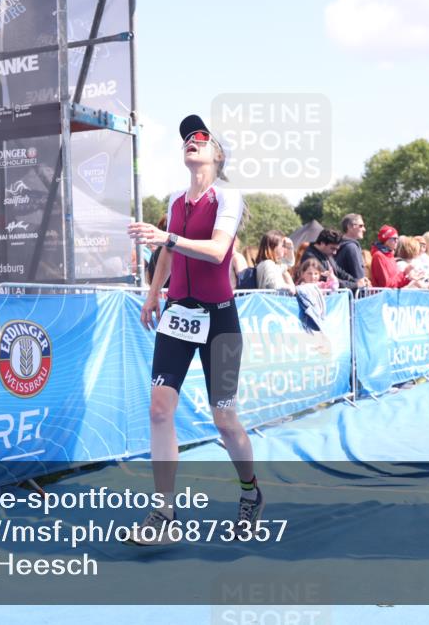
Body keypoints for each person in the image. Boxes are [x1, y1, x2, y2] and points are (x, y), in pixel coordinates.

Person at [126, 114, 262, 544]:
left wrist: (166, 238)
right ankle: (164, 514)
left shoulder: (228, 197)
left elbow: (217, 250)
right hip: (177, 315)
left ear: (216, 155)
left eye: (201, 138)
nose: (192, 141)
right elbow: (168, 256)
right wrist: (153, 294)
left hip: (219, 319)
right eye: (187, 137)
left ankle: (249, 491)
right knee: (159, 410)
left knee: (225, 421)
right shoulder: (173, 200)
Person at [334, 214, 369, 288]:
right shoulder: (351, 248)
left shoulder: (337, 245)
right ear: (349, 227)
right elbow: (359, 276)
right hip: (353, 295)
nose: (364, 229)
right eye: (361, 226)